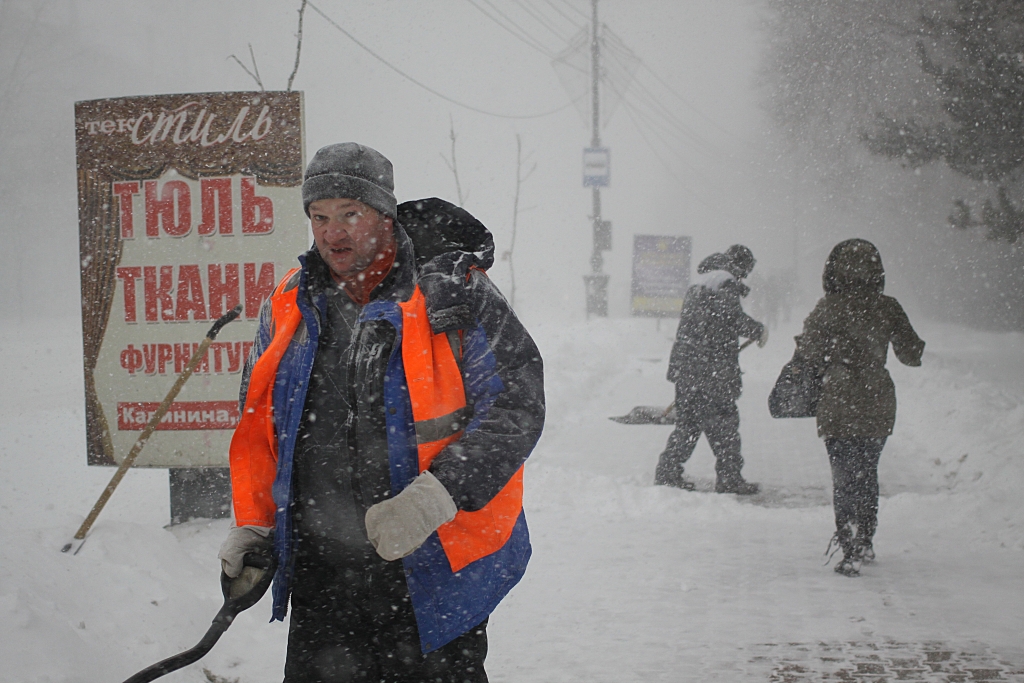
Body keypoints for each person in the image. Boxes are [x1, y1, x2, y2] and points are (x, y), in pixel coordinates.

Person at [217, 143, 545, 682]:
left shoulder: (452, 295)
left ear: (384, 214)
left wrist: (438, 495)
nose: (332, 233)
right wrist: (256, 525)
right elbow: (261, 428)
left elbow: (517, 402)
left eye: (350, 213)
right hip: (324, 575)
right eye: (319, 217)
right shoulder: (289, 303)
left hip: (431, 566)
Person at [796, 239, 924, 577]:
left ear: (833, 269)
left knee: (844, 475)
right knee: (867, 471)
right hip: (877, 398)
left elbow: (809, 352)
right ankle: (866, 536)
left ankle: (848, 540)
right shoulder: (889, 307)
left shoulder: (827, 307)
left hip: (838, 398)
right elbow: (910, 355)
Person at [655, 244, 767, 494]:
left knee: (689, 424)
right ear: (740, 266)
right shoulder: (724, 282)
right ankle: (730, 479)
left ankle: (667, 471)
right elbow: (730, 318)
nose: (744, 277)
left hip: (689, 367)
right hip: (711, 370)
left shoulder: (702, 282)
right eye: (745, 271)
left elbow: (709, 323)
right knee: (725, 423)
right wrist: (757, 330)